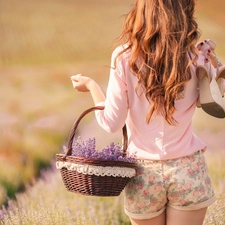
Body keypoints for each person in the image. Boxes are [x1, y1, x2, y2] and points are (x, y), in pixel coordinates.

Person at [71, 1, 225, 224]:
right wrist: (213, 60)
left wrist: (92, 86)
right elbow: (213, 100)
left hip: (144, 175)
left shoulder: (124, 57)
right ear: (184, 12)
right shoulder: (195, 57)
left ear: (143, 12)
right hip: (188, 171)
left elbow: (111, 123)